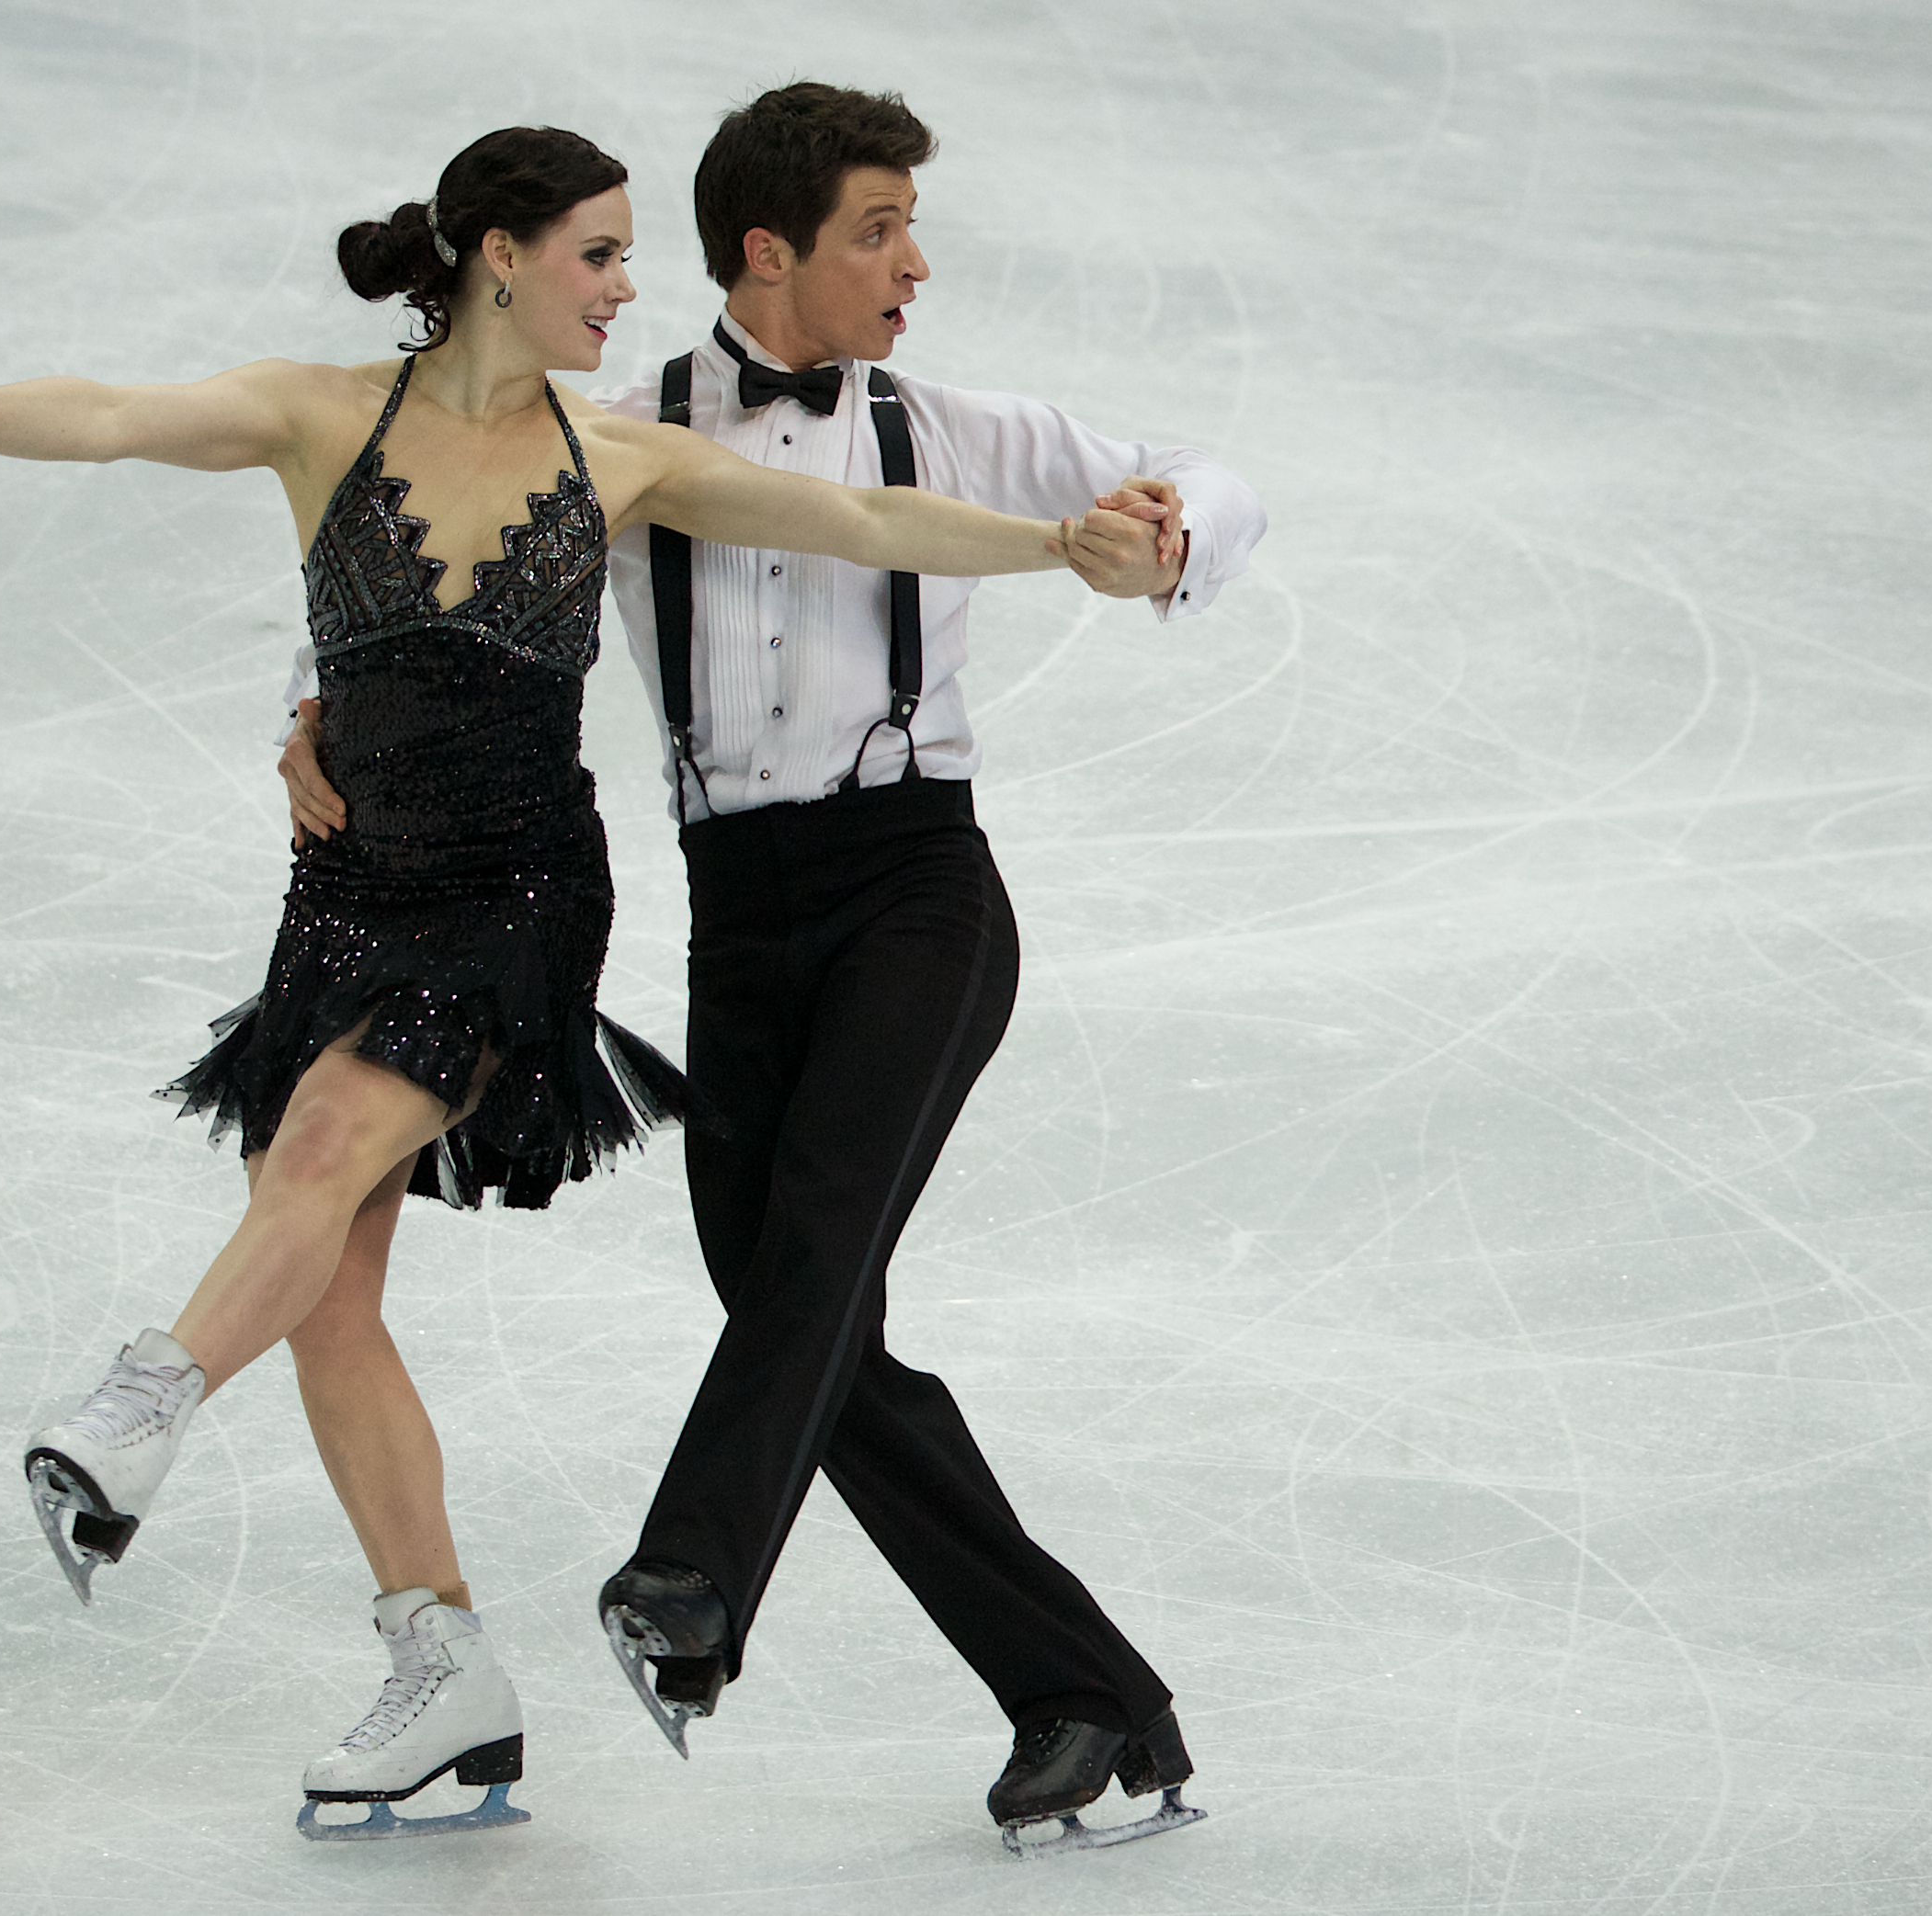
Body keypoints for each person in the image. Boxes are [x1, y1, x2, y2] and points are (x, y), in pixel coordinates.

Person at [0, 125, 1149, 1842]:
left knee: (319, 1149)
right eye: (599, 254)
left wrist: (1057, 546)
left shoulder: (615, 450)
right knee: (325, 1288)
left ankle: (141, 1400)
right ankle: (443, 1673)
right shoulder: (316, 414)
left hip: (516, 897)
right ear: (501, 255)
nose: (626, 287)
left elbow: (862, 513)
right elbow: (114, 414)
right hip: (350, 892)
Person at [282, 84, 1267, 1857]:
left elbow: (1206, 470)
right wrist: (313, 715)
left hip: (916, 896)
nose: (912, 265)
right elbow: (435, 564)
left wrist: (1167, 529)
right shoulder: (620, 433)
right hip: (732, 914)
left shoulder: (949, 425)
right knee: (796, 1307)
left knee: (807, 1256)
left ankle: (690, 1576)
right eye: (877, 230)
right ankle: (1086, 1692)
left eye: (909, 229)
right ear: (767, 250)